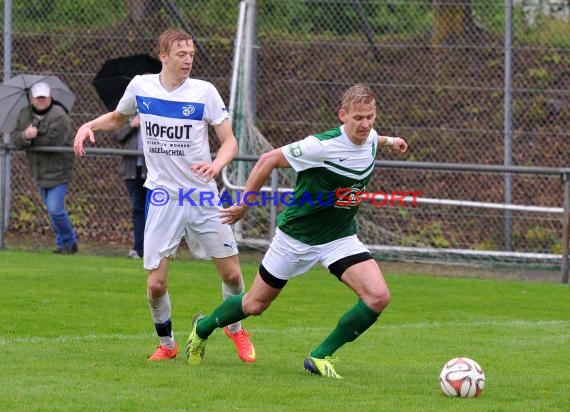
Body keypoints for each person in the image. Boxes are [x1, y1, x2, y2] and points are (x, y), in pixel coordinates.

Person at [184, 84, 408, 378]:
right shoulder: (321, 146)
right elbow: (267, 160)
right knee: (255, 304)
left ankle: (319, 356)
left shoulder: (370, 140)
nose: (365, 124)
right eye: (358, 118)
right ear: (343, 116)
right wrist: (244, 205)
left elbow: (376, 139)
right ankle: (201, 328)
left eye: (370, 116)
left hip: (339, 237)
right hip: (296, 238)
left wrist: (392, 141)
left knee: (378, 296)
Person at [73, 28, 256, 363]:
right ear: (164, 56)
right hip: (162, 197)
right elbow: (118, 117)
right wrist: (90, 126)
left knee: (232, 275)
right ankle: (168, 344)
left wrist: (216, 165)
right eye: (181, 54)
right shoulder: (142, 86)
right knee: (156, 285)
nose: (188, 60)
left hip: (201, 196)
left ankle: (236, 328)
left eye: (191, 54)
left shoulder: (205, 92)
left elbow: (230, 142)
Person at [13, 82, 78, 254]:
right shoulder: (24, 114)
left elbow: (54, 140)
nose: (41, 101)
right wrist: (24, 136)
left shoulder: (59, 115)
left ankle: (70, 242)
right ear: (32, 98)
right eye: (38, 97)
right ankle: (61, 244)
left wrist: (31, 137)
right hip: (38, 172)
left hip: (59, 171)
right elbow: (15, 137)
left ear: (50, 98)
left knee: (55, 209)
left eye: (44, 97)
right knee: (51, 211)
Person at [112, 114, 147, 259]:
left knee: (156, 211)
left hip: (153, 172)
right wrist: (131, 125)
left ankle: (157, 248)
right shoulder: (126, 117)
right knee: (138, 210)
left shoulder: (158, 114)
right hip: (132, 171)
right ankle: (139, 249)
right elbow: (117, 136)